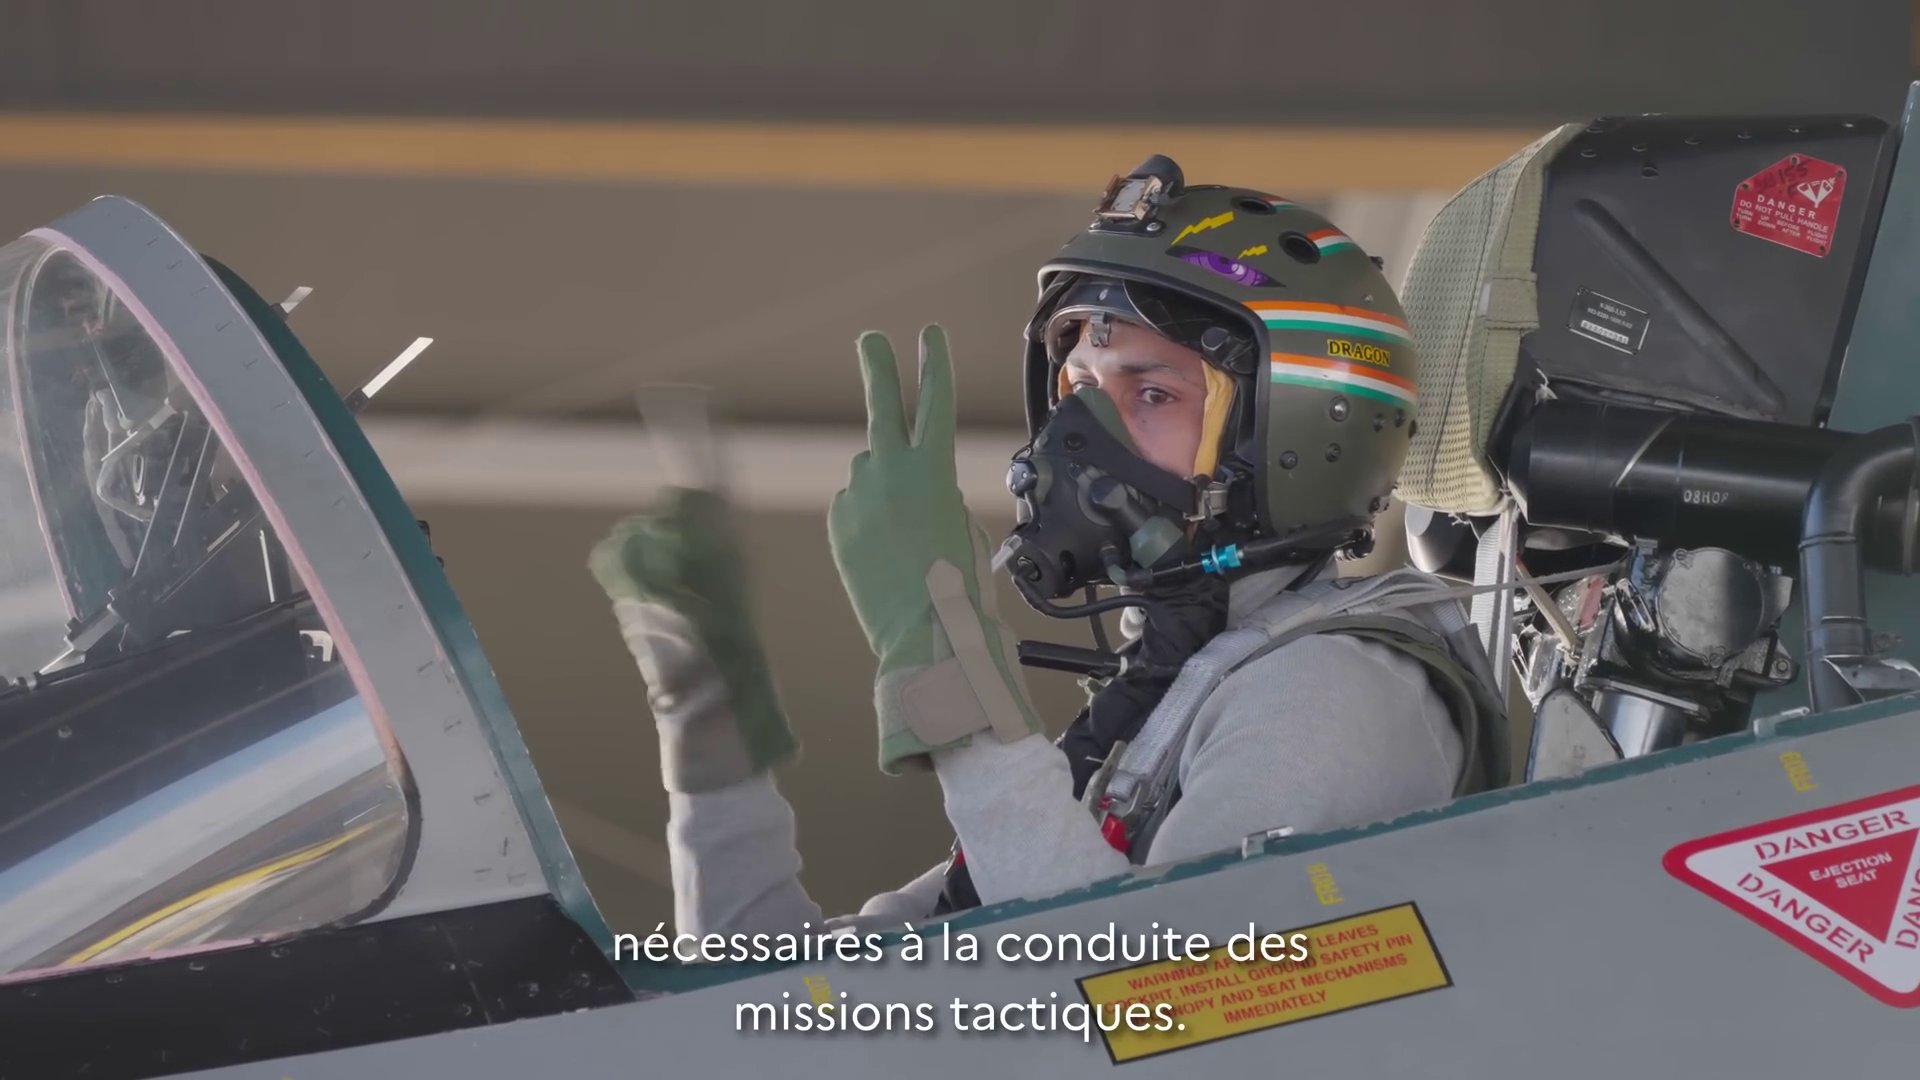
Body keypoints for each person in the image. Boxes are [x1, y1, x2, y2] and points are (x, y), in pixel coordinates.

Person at [589, 156, 1506, 936]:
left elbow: (1144, 999)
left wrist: (945, 652)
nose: (1079, 435)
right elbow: (777, 1013)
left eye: (1151, 394)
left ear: (1296, 434)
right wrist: (713, 744)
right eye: (1077, 389)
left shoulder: (1333, 688)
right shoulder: (1159, 715)